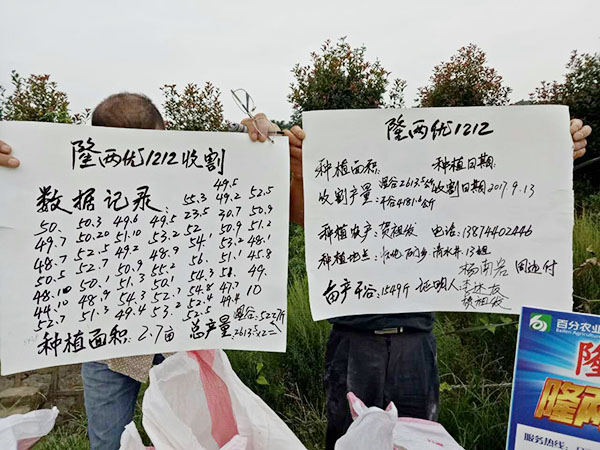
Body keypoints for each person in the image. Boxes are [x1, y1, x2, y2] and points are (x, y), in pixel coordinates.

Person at [0, 91, 304, 450]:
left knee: (205, 439)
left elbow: (256, 185)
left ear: (166, 136)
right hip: (107, 342)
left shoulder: (194, 170)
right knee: (109, 444)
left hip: (186, 335)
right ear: (94, 140)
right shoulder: (66, 179)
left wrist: (268, 142)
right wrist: (12, 173)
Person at [279, 118, 591, 450]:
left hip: (415, 343)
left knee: (419, 440)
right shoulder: (350, 188)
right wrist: (300, 172)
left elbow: (499, 197)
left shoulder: (438, 194)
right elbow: (302, 216)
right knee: (349, 440)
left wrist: (552, 153)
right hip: (353, 341)